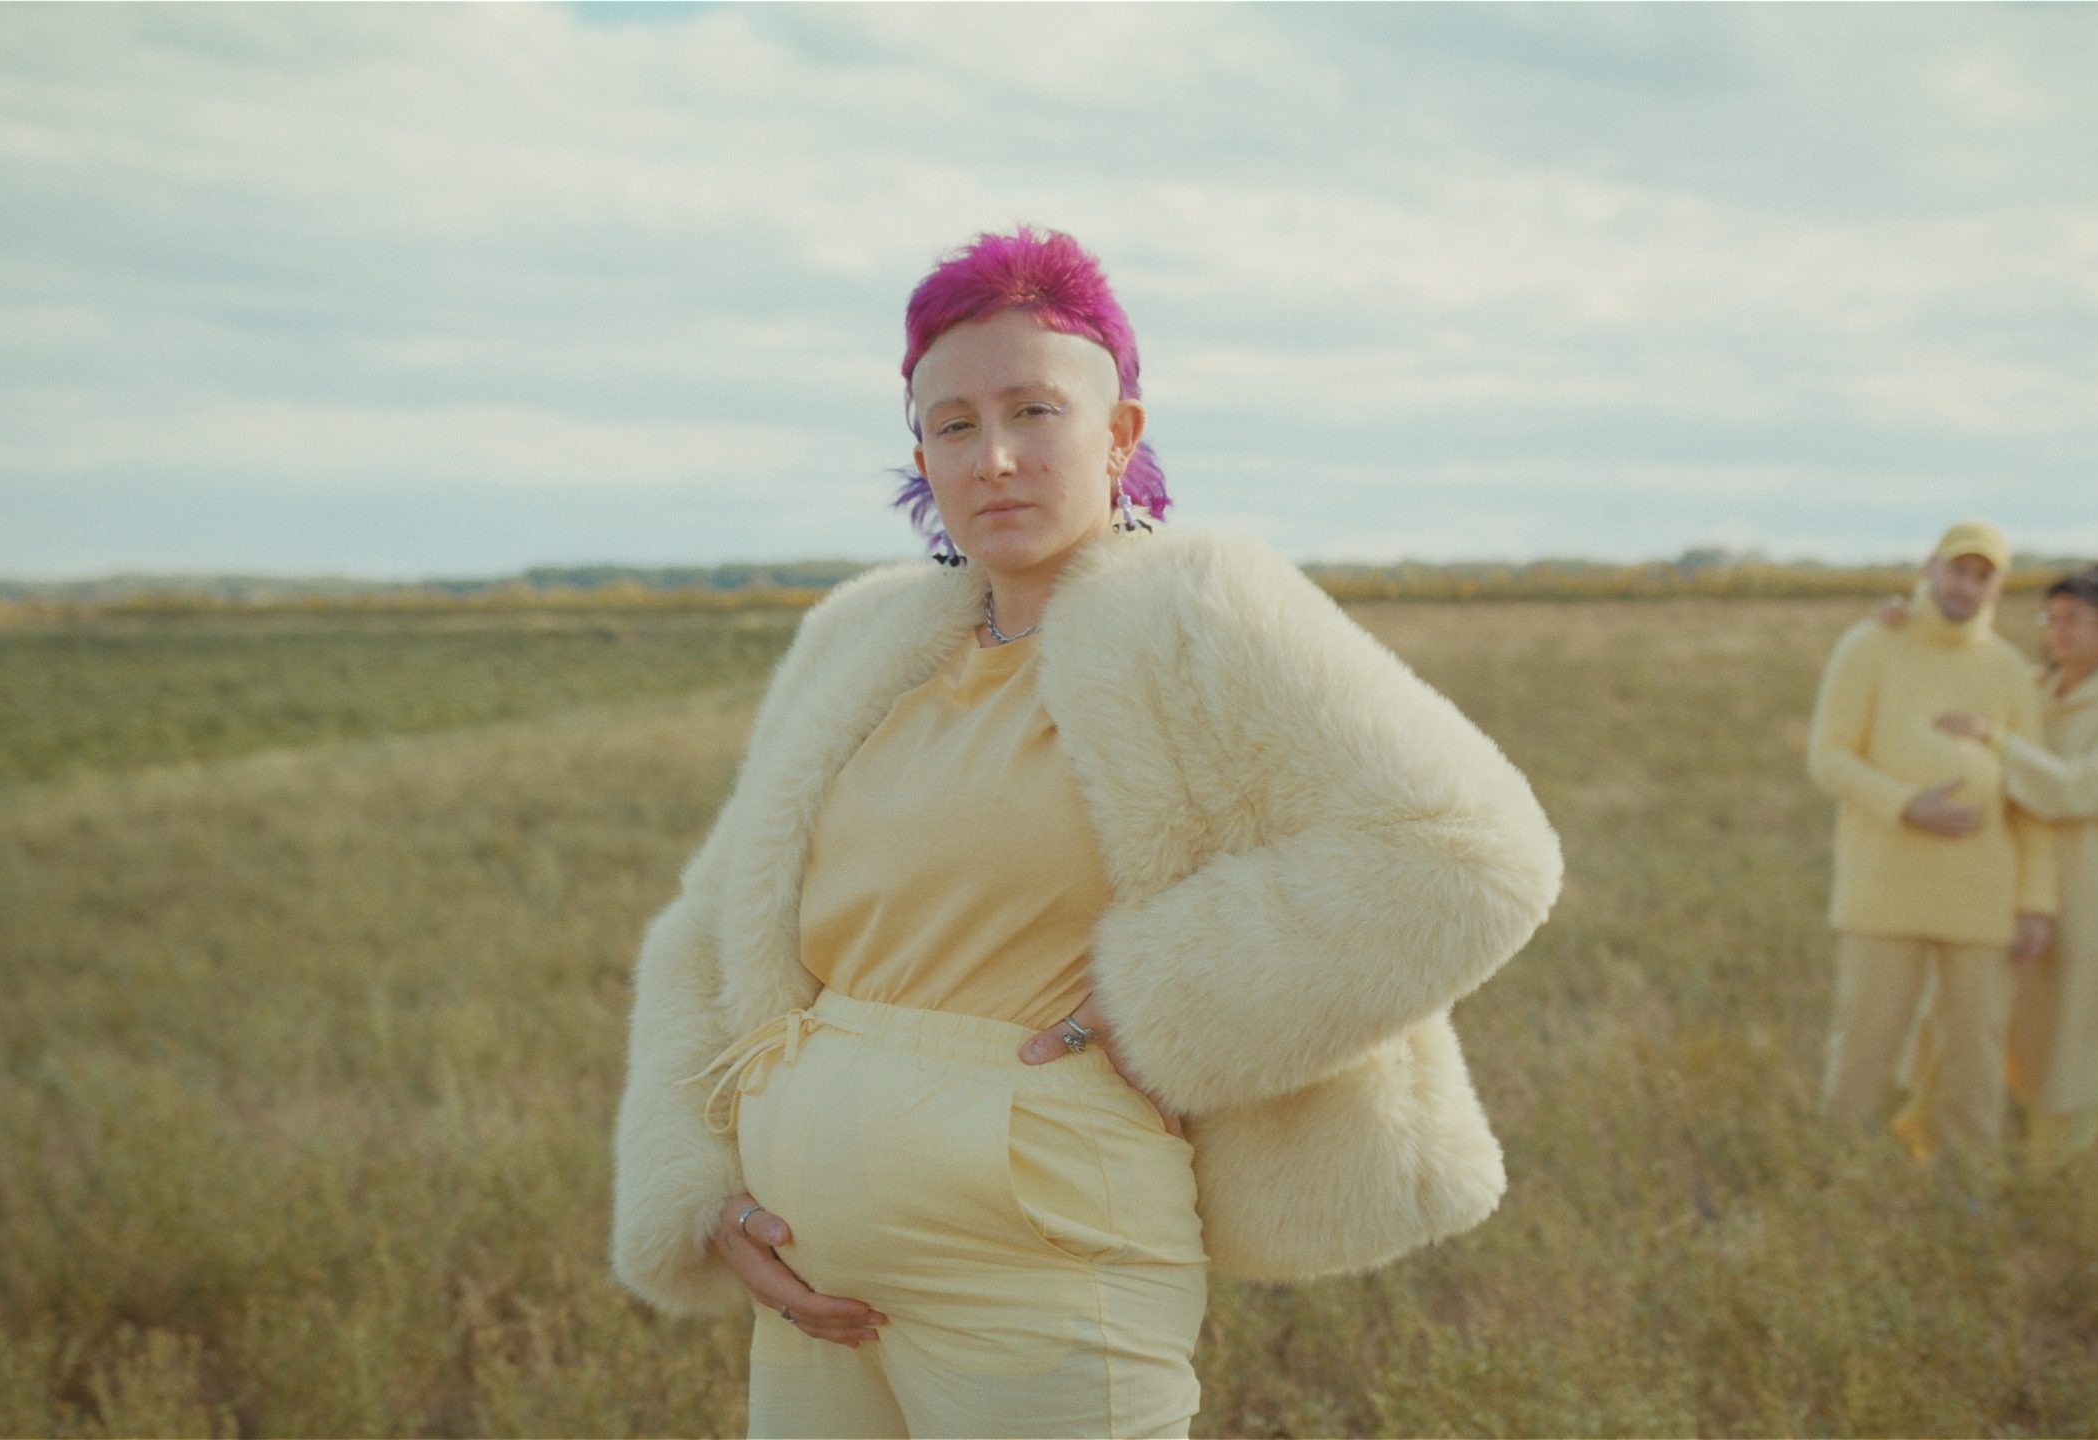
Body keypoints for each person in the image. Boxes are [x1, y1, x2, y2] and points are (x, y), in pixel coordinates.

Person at [608, 226, 1564, 1438]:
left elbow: (1469, 851)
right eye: (954, 425)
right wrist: (699, 1189)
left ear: (1119, 433)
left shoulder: (1198, 608)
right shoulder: (860, 636)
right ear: (920, 453)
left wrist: (1161, 1000)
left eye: (1034, 412)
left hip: (1042, 1253)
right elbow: (709, 927)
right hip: (812, 1276)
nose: (995, 457)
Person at [1805, 520, 2056, 1181]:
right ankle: (1843, 1177)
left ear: (1998, 588)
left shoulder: (2008, 669)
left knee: (1976, 1050)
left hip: (1982, 894)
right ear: (1930, 567)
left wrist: (2036, 901)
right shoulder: (1870, 645)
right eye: (1957, 571)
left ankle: (1970, 1183)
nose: (1965, 587)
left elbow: (2032, 792)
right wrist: (1907, 805)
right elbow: (1829, 758)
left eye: (1982, 577)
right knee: (1865, 1042)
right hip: (1882, 888)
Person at [1910, 566, 2098, 1177]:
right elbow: (1958, 664)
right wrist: (1909, 617)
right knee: (1967, 1012)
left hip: (2090, 882)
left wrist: (1998, 742)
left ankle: (2057, 1172)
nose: (2059, 632)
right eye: (2052, 618)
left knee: (2078, 1027)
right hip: (2007, 872)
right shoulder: (2028, 686)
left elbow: (2086, 789)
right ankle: (1934, 1146)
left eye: (2075, 619)